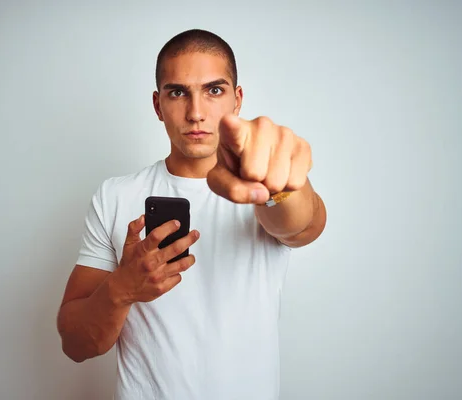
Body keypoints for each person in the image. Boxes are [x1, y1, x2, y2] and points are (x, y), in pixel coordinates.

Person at [57, 28, 327, 399]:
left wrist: (277, 189)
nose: (196, 112)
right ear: (157, 105)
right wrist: (121, 288)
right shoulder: (116, 195)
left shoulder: (262, 185)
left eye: (213, 90)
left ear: (237, 100)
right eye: (177, 92)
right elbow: (75, 344)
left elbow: (302, 226)